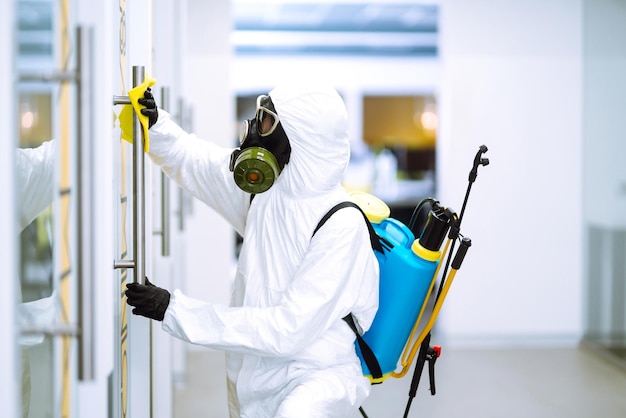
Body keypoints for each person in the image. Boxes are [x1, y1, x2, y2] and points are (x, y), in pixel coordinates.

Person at [125, 83, 379, 418]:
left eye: (267, 123)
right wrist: (156, 126)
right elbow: (199, 163)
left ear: (300, 139)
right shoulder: (266, 196)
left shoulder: (341, 225)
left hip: (316, 381)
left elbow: (288, 329)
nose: (252, 132)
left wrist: (175, 309)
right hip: (252, 377)